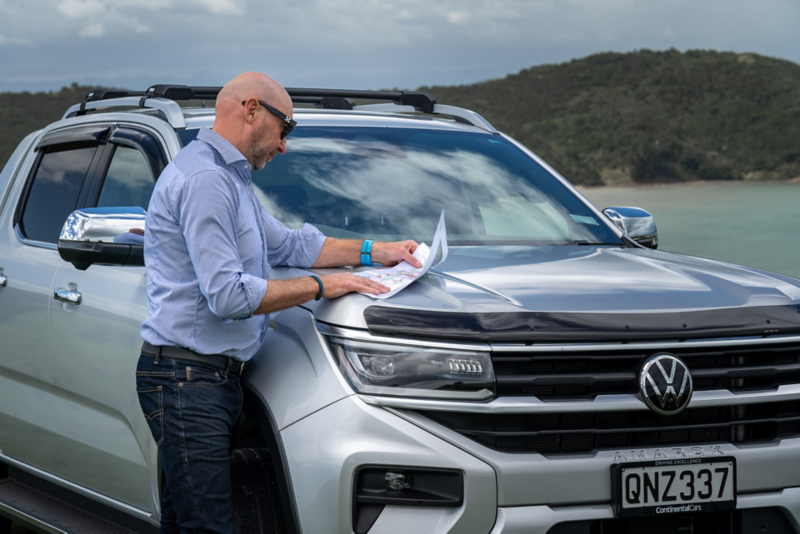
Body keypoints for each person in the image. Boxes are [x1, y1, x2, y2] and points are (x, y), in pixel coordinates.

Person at [135, 72, 421, 533]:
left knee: (185, 521)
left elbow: (290, 246)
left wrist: (377, 251)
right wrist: (323, 287)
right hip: (187, 382)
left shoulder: (230, 178)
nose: (284, 145)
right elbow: (228, 295)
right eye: (285, 128)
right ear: (251, 110)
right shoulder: (206, 180)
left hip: (203, 380)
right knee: (207, 527)